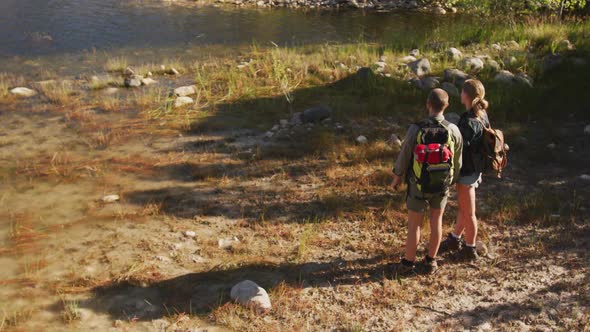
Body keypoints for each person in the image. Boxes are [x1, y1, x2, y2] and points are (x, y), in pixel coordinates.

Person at [391, 88, 463, 274]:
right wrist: (451, 181)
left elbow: (405, 154)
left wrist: (397, 176)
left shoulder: (416, 128)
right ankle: (431, 261)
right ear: (446, 106)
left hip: (418, 184)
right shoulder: (453, 129)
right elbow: (457, 160)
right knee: (436, 221)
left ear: (428, 104)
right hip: (441, 185)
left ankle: (408, 263)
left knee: (414, 225)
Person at [439, 79, 490, 261]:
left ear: (466, 95)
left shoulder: (468, 121)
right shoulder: (482, 114)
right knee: (464, 207)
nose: (460, 94)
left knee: (469, 213)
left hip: (467, 172)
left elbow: (459, 147)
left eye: (462, 91)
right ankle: (455, 238)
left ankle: (470, 248)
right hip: (475, 169)